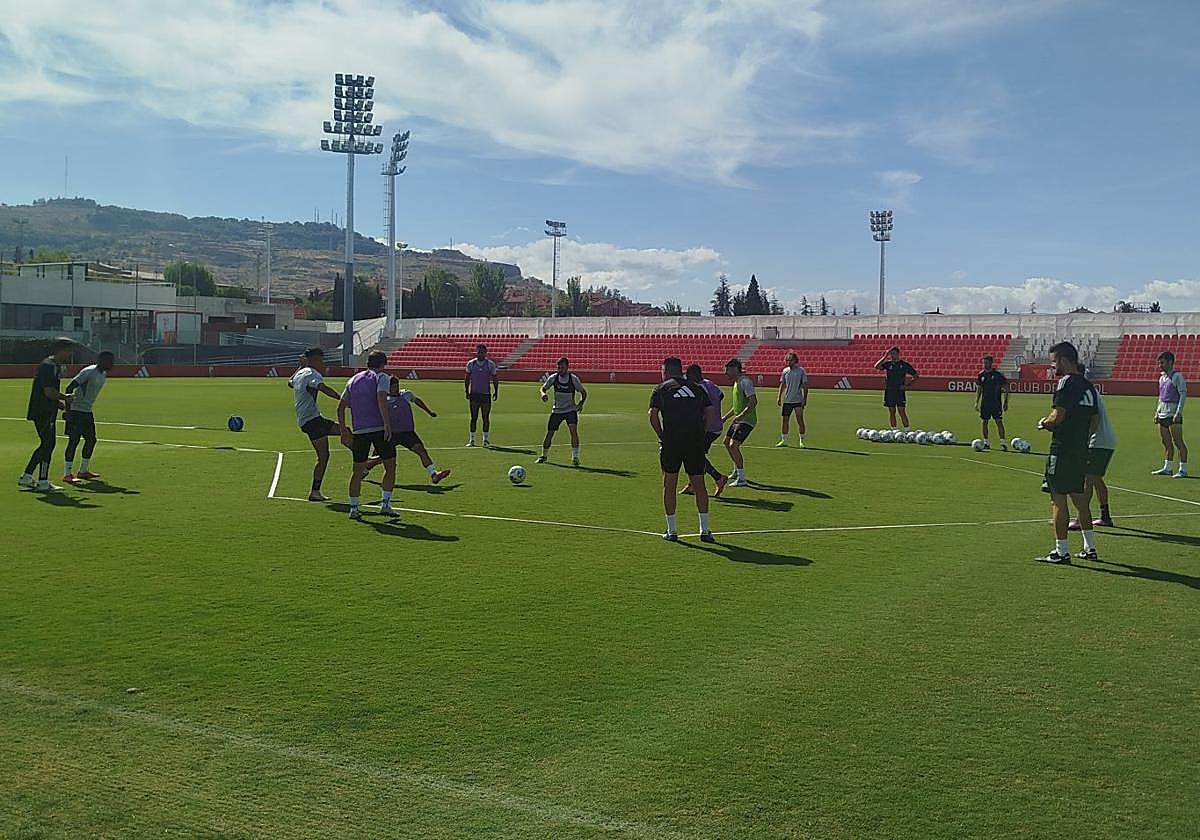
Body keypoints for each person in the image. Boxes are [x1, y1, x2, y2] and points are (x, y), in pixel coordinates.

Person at [1035, 341, 1100, 564]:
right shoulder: (1089, 386)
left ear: (1063, 360)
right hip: (1080, 449)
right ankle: (1089, 548)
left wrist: (1044, 423)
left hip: (1062, 449)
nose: (1053, 366)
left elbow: (1057, 416)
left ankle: (1061, 551)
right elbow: (1094, 420)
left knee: (1058, 500)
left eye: (1054, 362)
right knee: (1081, 500)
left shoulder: (1066, 382)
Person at [648, 357, 717, 543]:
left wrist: (661, 435)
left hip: (672, 441)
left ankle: (672, 530)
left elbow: (652, 415)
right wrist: (701, 433)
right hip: (694, 441)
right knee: (699, 484)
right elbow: (710, 412)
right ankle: (705, 529)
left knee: (669, 484)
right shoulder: (697, 388)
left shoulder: (661, 389)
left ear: (667, 371)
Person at [337, 351, 395, 520]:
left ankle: (354, 508)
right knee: (390, 466)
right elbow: (381, 399)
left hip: (359, 430)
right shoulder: (382, 377)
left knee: (357, 471)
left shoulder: (353, 380)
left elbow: (340, 407)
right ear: (383, 364)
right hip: (378, 428)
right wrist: (387, 424)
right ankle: (385, 504)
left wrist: (343, 430)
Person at [288, 347, 346, 502]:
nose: (323, 363)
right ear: (314, 360)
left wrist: (300, 366)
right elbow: (322, 388)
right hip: (312, 421)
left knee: (346, 432)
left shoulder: (301, 373)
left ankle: (364, 463)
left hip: (311, 419)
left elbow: (290, 383)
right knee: (323, 456)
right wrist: (342, 400)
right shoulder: (312, 374)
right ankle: (314, 492)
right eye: (321, 360)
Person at [19, 337, 75, 492]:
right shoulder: (49, 366)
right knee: (48, 444)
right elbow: (49, 391)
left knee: (47, 444)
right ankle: (40, 480)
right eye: (69, 350)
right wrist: (66, 398)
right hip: (43, 411)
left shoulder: (52, 365)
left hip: (46, 409)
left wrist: (58, 403)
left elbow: (47, 391)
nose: (70, 353)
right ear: (61, 350)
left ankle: (29, 477)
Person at [371, 378, 451, 484]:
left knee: (421, 451)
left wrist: (429, 411)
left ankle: (434, 474)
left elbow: (417, 401)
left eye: (397, 386)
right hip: (391, 434)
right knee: (379, 458)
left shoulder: (406, 394)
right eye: (393, 387)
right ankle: (364, 470)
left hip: (407, 433)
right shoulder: (384, 399)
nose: (396, 388)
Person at [1071, 376, 1116, 530]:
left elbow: (1092, 419)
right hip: (1105, 440)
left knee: (1087, 479)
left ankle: (1080, 519)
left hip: (1098, 441)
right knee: (1096, 479)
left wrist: (1084, 440)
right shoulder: (1091, 391)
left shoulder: (1085, 392)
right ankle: (1105, 516)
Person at [63, 350, 115, 483]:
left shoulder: (103, 374)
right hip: (76, 411)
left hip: (87, 411)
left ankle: (83, 471)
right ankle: (67, 473)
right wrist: (68, 411)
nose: (112, 364)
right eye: (109, 361)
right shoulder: (89, 372)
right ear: (100, 360)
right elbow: (69, 388)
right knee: (73, 441)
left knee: (91, 440)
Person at [683, 363, 728, 497]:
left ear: (693, 375)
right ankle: (692, 485)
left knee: (694, 455)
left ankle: (718, 478)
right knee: (695, 454)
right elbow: (721, 395)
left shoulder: (698, 388)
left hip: (707, 427)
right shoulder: (709, 383)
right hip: (716, 426)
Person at [537, 357, 587, 466]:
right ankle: (544, 456)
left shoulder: (573, 379)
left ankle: (575, 458)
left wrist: (580, 404)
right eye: (559, 367)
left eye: (562, 367)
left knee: (573, 431)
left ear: (567, 367)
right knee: (550, 433)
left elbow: (583, 392)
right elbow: (543, 388)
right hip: (557, 410)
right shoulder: (553, 378)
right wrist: (543, 394)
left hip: (570, 410)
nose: (560, 369)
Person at [1151, 351, 1188, 478]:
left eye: (1162, 362)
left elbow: (1183, 394)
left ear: (1170, 362)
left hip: (1173, 414)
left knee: (1178, 442)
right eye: (1159, 363)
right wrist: (1157, 412)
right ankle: (1168, 467)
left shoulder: (1177, 377)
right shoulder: (1161, 378)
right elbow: (1161, 397)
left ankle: (1183, 469)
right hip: (1162, 414)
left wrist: (1178, 413)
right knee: (1166, 442)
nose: (1159, 365)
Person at [722, 358, 757, 487]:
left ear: (735, 369)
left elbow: (753, 402)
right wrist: (725, 417)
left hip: (747, 420)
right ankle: (737, 470)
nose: (726, 373)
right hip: (739, 419)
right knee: (726, 443)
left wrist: (741, 416)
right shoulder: (736, 383)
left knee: (733, 445)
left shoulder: (745, 382)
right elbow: (737, 405)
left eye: (728, 370)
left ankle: (742, 478)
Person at [875, 346, 919, 430]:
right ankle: (894, 431)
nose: (892, 356)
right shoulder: (888, 364)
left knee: (901, 411)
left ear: (898, 354)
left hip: (899, 391)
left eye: (893, 354)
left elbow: (916, 375)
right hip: (889, 391)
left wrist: (907, 385)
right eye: (890, 354)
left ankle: (907, 431)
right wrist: (884, 357)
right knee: (892, 412)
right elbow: (876, 366)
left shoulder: (904, 365)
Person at [464, 344, 499, 447]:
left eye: (482, 352)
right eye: (478, 352)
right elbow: (467, 378)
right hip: (474, 394)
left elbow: (495, 378)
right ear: (476, 352)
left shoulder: (490, 364)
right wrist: (466, 391)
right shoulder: (471, 364)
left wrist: (496, 391)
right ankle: (472, 440)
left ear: (485, 353)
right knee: (473, 417)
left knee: (485, 418)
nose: (480, 354)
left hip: (485, 394)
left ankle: (486, 440)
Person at [975, 355, 1010, 450]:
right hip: (985, 403)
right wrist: (976, 402)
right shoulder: (981, 375)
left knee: (999, 421)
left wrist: (1006, 402)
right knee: (984, 422)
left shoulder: (998, 375)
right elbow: (979, 389)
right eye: (983, 362)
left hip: (996, 403)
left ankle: (1003, 443)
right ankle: (986, 442)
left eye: (986, 362)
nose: (984, 364)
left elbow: (1006, 387)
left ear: (991, 363)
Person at [776, 352, 808, 448]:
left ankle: (802, 440)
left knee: (800, 420)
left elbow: (805, 386)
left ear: (795, 361)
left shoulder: (801, 371)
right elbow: (782, 384)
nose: (788, 361)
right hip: (787, 400)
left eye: (790, 360)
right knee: (785, 420)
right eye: (787, 360)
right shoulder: (785, 371)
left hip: (798, 400)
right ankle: (783, 440)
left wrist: (805, 399)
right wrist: (779, 397)